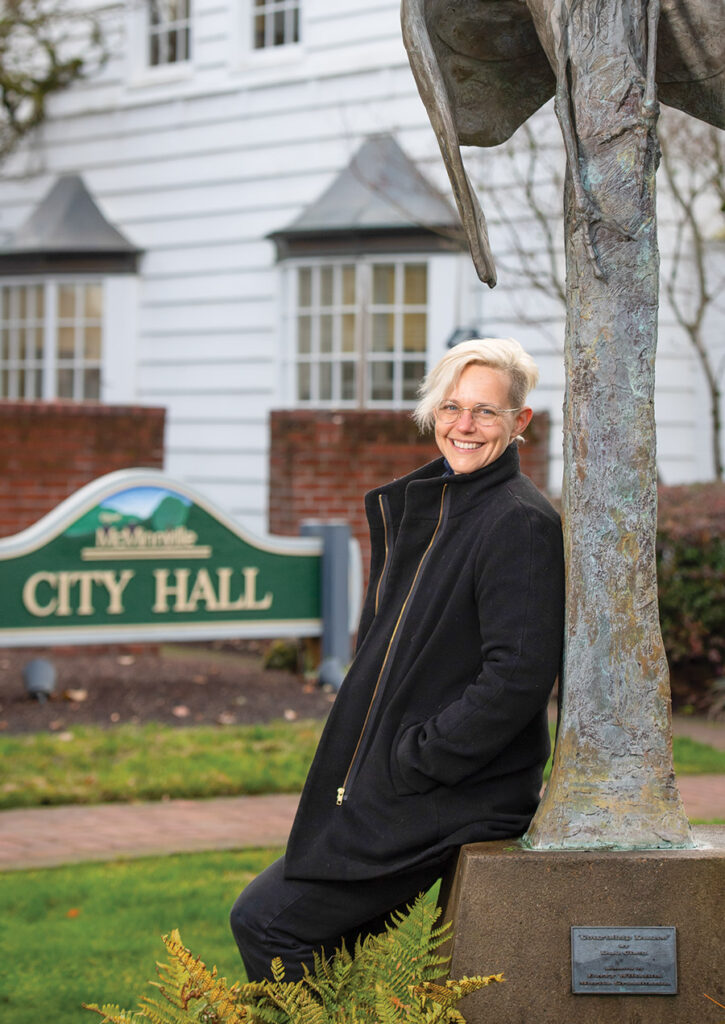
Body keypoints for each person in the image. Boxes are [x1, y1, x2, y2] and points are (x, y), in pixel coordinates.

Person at [230, 337, 565, 982]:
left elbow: (517, 676)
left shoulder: (518, 522)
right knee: (299, 933)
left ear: (520, 421)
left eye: (486, 411)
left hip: (453, 791)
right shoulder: (439, 507)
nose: (464, 425)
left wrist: (417, 757)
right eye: (451, 407)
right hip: (404, 782)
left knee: (271, 923)